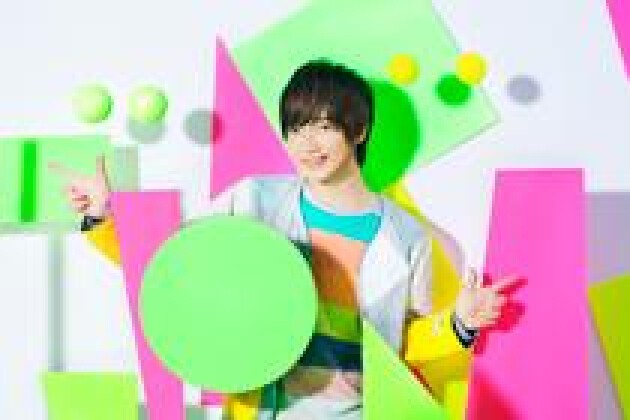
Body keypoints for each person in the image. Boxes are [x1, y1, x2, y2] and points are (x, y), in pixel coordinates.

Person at [50, 59, 515, 420]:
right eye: (296, 128)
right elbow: (173, 266)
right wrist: (103, 218)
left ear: (359, 131)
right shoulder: (254, 200)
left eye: (324, 127)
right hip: (264, 410)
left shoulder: (406, 237)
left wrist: (459, 323)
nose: (307, 144)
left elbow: (400, 343)